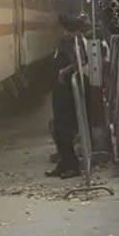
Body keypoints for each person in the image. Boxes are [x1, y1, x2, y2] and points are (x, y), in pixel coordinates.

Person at [46, 14, 87, 179]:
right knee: (57, 127)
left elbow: (80, 60)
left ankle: (72, 165)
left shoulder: (70, 42)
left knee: (63, 129)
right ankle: (64, 163)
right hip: (60, 90)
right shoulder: (65, 42)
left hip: (67, 91)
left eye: (58, 28)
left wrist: (64, 72)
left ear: (64, 29)